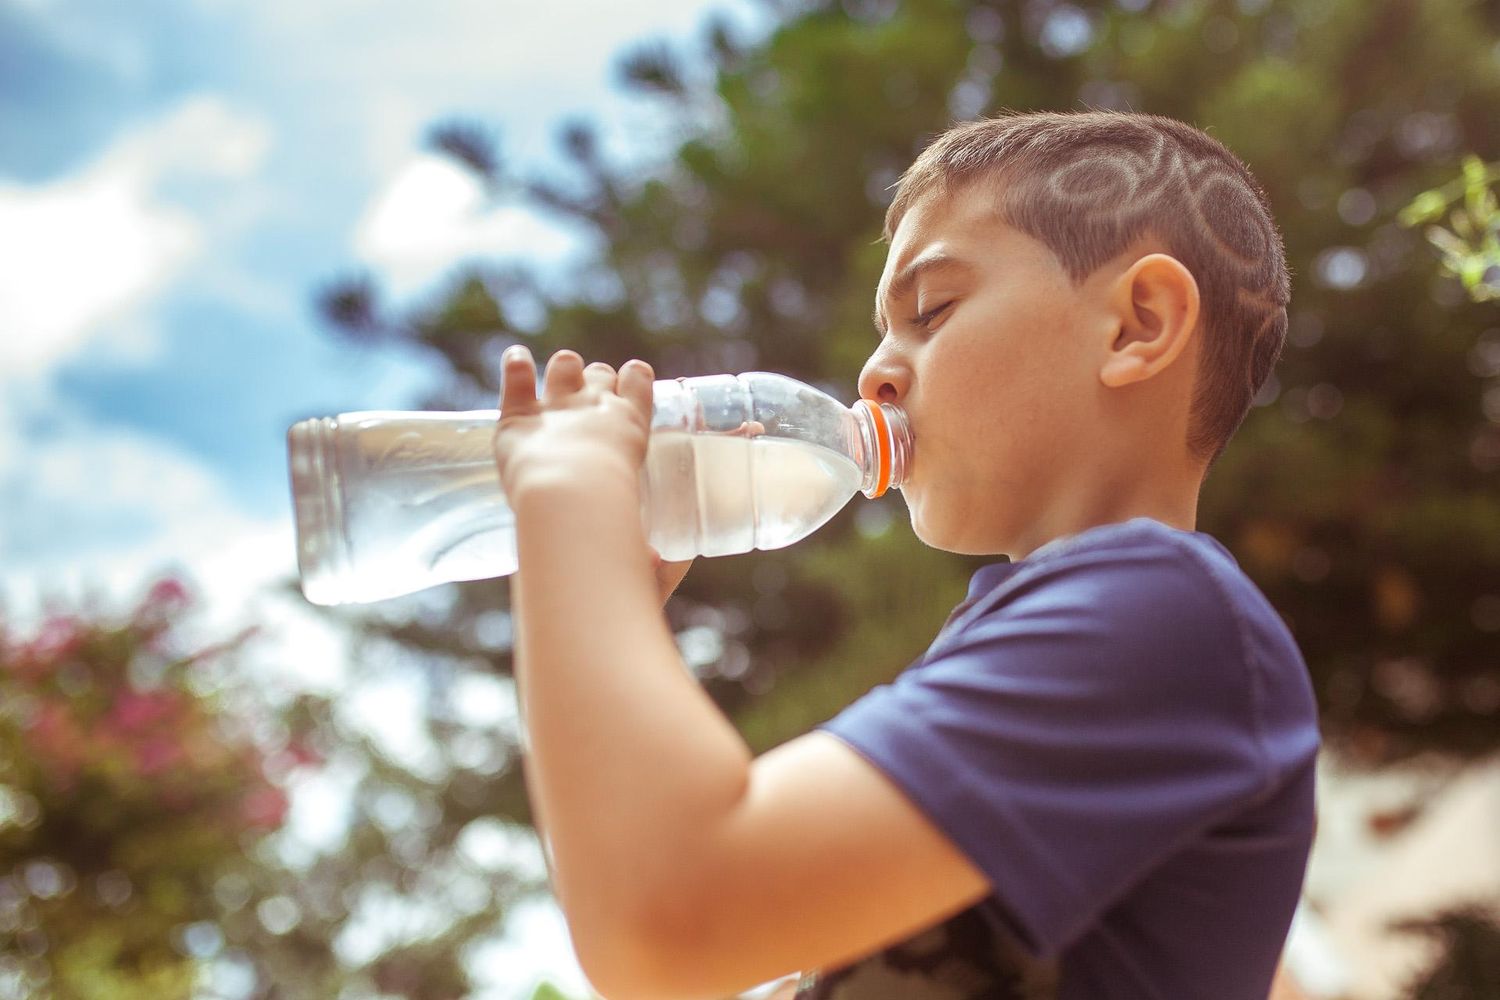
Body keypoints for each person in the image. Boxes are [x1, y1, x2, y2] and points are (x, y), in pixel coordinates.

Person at [491, 110, 1320, 1000]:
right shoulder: (1036, 645)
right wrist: (610, 607)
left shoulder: (1164, 616)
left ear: (1137, 325)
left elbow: (667, 921)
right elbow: (655, 924)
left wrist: (569, 493)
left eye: (931, 309)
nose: (874, 374)